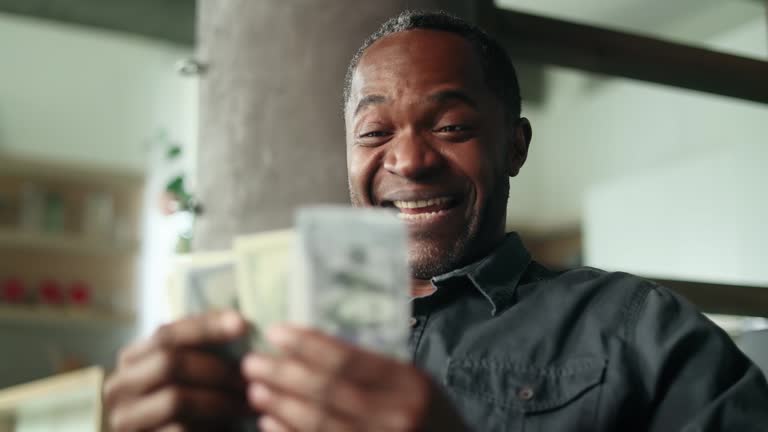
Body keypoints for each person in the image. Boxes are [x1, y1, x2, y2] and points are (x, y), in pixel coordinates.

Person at [103, 10, 768, 432]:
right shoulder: (260, 336)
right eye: (374, 133)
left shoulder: (639, 331)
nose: (410, 160)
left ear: (515, 146)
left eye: (450, 126)